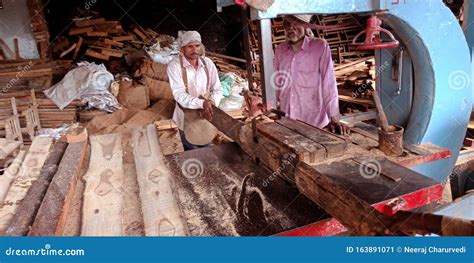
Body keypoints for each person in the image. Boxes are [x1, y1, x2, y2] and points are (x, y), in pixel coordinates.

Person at [274, 15, 349, 135]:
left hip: (314, 123)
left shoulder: (320, 47)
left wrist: (334, 118)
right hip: (287, 122)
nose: (291, 28)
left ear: (305, 25)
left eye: (296, 24)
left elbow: (328, 83)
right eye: (287, 24)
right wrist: (271, 106)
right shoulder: (280, 50)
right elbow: (277, 81)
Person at [167, 31, 224, 150]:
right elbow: (179, 95)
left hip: (206, 116)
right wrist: (202, 103)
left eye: (197, 46)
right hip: (185, 117)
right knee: (190, 150)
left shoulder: (208, 63)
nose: (195, 50)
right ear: (182, 49)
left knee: (207, 147)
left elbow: (217, 88)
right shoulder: (174, 66)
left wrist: (212, 102)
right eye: (190, 46)